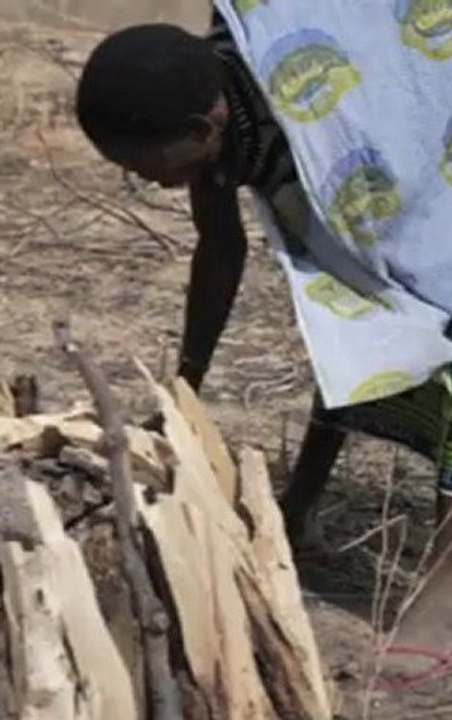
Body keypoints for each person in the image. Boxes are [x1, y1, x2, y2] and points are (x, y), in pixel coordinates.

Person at [75, 11, 452, 684]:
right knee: (349, 324)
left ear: (201, 130)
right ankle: (298, 509)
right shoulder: (214, 111)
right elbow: (220, 250)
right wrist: (184, 385)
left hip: (432, 145)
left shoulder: (308, 115)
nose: (151, 184)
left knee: (423, 321)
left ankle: (443, 597)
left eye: (144, 169)